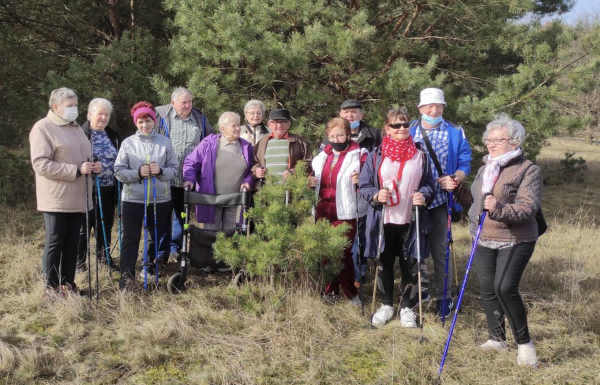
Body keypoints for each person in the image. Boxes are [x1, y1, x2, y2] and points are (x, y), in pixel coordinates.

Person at [448, 113, 542, 367]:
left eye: (497, 140)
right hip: (483, 236)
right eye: (489, 139)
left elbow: (527, 208)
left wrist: (499, 208)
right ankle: (496, 338)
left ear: (514, 141)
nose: (491, 144)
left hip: (516, 239)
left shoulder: (528, 169)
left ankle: (524, 344)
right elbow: (475, 204)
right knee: (488, 290)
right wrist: (458, 188)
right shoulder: (484, 168)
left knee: (504, 288)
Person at [359, 108, 435, 327]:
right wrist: (375, 194)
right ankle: (386, 305)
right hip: (383, 219)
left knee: (410, 264)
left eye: (405, 125)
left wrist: (424, 195)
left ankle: (407, 308)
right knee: (384, 263)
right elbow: (364, 186)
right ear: (387, 129)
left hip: (410, 218)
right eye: (396, 125)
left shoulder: (421, 155)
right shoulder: (376, 156)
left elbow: (430, 184)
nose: (402, 129)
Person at [29, 87, 101, 295]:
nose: (74, 109)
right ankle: (50, 288)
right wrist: (77, 171)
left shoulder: (76, 128)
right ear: (55, 107)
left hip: (80, 197)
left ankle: (67, 284)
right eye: (69, 106)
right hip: (56, 198)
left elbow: (84, 158)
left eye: (76, 105)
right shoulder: (43, 128)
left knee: (72, 243)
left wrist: (94, 166)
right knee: (55, 242)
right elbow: (41, 164)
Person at [410, 87, 472, 318]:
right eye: (429, 106)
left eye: (438, 106)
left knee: (439, 250)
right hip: (414, 199)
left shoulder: (455, 132)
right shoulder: (410, 130)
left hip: (440, 201)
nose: (433, 110)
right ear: (420, 108)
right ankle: (417, 291)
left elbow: (465, 162)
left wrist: (456, 178)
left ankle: (443, 297)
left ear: (444, 107)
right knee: (413, 250)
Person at [114, 102, 178, 290]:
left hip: (159, 198)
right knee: (130, 237)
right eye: (141, 121)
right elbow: (119, 171)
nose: (145, 125)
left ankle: (149, 268)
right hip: (133, 198)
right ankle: (126, 277)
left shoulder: (165, 142)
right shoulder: (128, 143)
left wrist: (160, 171)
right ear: (136, 123)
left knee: (154, 236)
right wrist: (137, 173)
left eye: (148, 120)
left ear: (154, 121)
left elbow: (174, 170)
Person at [308, 117, 367, 305]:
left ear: (348, 134)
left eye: (340, 135)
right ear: (327, 136)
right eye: (332, 135)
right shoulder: (321, 156)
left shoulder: (360, 154)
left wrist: (362, 179)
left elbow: (370, 178)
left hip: (345, 211)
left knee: (342, 252)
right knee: (325, 252)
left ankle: (351, 293)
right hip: (322, 210)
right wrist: (308, 182)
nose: (336, 139)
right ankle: (330, 290)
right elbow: (312, 177)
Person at [155, 87, 214, 262]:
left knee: (182, 216)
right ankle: (161, 253)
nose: (188, 105)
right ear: (173, 103)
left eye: (190, 102)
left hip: (189, 179)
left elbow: (210, 140)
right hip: (165, 177)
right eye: (183, 102)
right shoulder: (161, 117)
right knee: (163, 216)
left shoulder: (199, 119)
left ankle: (176, 249)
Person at [335, 99, 383, 295]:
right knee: (349, 237)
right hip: (341, 195)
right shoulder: (334, 135)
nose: (350, 116)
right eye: (346, 112)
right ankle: (351, 274)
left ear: (361, 115)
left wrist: (365, 176)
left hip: (368, 192)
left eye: (354, 112)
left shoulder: (374, 134)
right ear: (340, 114)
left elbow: (381, 160)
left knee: (364, 235)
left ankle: (362, 273)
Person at [182, 112, 253, 230]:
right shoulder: (209, 144)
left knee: (232, 238)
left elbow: (250, 170)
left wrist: (248, 182)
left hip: (236, 201)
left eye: (238, 125)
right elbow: (191, 162)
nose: (238, 128)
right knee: (210, 237)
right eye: (233, 125)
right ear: (223, 129)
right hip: (211, 200)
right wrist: (189, 179)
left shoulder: (246, 146)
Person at [76, 98, 121, 271]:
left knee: (105, 225)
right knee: (84, 227)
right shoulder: (81, 133)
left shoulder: (113, 135)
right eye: (99, 114)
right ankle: (79, 263)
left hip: (109, 188)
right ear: (89, 114)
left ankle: (104, 259)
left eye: (106, 114)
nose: (103, 117)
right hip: (86, 189)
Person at [252, 109, 313, 182]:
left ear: (288, 124)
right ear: (269, 124)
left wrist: (295, 171)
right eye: (275, 122)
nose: (279, 125)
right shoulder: (262, 142)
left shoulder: (298, 141)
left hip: (291, 190)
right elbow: (254, 163)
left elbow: (309, 162)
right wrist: (257, 171)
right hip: (266, 190)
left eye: (283, 122)